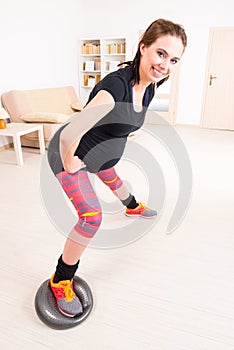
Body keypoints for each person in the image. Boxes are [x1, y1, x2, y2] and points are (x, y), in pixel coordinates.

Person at [47, 18, 187, 317]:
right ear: (143, 47)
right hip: (68, 151)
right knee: (91, 217)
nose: (166, 65)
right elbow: (72, 132)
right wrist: (72, 161)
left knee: (110, 174)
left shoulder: (149, 85)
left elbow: (127, 117)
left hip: (99, 155)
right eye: (161, 54)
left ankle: (132, 205)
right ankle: (61, 279)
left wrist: (126, 129)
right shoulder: (115, 87)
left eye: (174, 59)